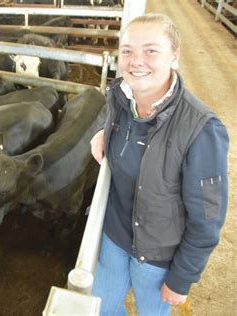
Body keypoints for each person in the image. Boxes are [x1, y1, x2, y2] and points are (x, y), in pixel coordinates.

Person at [89, 13, 229, 315]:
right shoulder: (120, 97)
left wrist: (182, 277)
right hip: (115, 235)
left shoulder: (202, 129)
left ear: (174, 56)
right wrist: (104, 132)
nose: (136, 60)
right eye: (127, 50)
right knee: (101, 308)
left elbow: (207, 219)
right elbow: (119, 126)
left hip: (157, 255)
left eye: (151, 50)